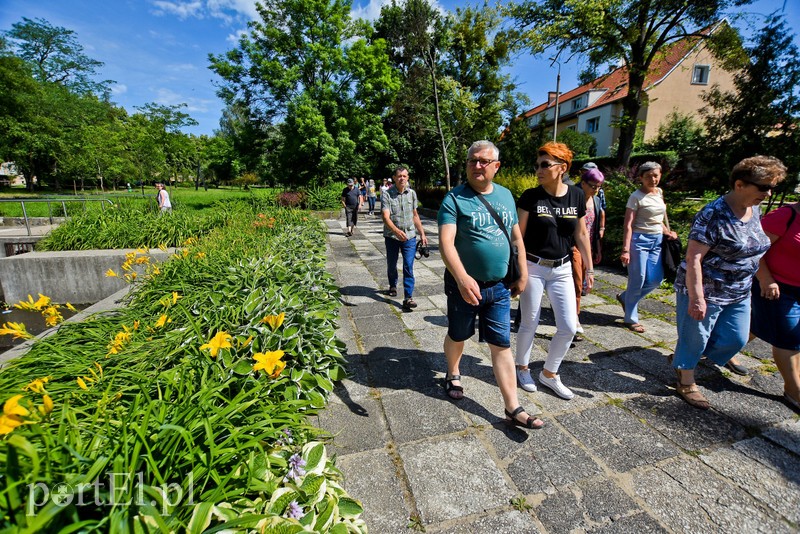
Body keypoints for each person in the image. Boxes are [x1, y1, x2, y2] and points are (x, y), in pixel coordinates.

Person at [437, 140, 541, 429]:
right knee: (459, 335)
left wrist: (522, 271)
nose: (477, 165)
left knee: (501, 345)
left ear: (496, 166)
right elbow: (446, 242)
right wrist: (461, 277)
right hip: (463, 286)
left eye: (484, 161)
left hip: (498, 287)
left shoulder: (507, 196)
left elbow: (516, 236)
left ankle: (513, 407)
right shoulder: (455, 198)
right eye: (472, 160)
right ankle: (453, 372)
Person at [672, 156, 785, 409]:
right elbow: (693, 259)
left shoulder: (753, 208)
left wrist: (765, 280)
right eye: (763, 187)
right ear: (739, 184)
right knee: (695, 338)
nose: (767, 194)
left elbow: (754, 250)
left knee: (736, 339)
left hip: (739, 289)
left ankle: (686, 355)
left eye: (771, 188)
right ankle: (686, 379)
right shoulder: (713, 214)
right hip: (707, 289)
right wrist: (697, 297)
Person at [515, 142, 594, 400]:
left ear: (562, 168)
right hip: (534, 266)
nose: (539, 169)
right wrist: (519, 271)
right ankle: (522, 367)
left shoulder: (576, 196)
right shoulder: (530, 197)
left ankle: (549, 373)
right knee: (530, 321)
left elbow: (581, 233)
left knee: (569, 326)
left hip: (562, 268)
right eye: (537, 165)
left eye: (545, 165)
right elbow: (518, 237)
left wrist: (590, 268)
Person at [751, 199, 800, 412]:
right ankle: (794, 390)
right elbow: (753, 251)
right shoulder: (783, 216)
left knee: (756, 325)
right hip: (775, 287)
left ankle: (712, 348)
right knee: (789, 337)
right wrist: (766, 279)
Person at [617, 162, 678, 333]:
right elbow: (628, 225)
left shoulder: (659, 193)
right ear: (641, 178)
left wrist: (667, 232)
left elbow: (659, 219)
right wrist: (626, 249)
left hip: (657, 240)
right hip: (639, 240)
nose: (653, 179)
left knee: (656, 279)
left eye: (656, 175)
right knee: (638, 279)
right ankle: (631, 318)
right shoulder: (635, 197)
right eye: (649, 176)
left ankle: (625, 298)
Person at [382, 166, 428, 311]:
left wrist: (422, 233)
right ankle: (393, 285)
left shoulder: (412, 194)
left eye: (404, 176)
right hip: (392, 237)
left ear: (408, 178)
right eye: (399, 176)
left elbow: (415, 215)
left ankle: (408, 297)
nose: (402, 178)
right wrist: (395, 231)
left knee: (408, 265)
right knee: (392, 264)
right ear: (394, 178)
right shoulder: (387, 195)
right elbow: (385, 217)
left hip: (409, 237)